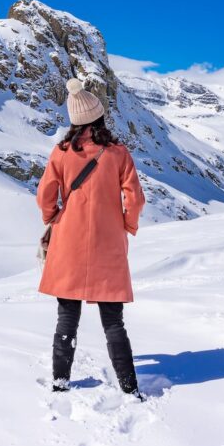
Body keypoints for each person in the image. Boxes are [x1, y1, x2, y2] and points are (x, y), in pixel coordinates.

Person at [36, 78, 147, 399]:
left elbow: (45, 195)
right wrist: (126, 225)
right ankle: (129, 386)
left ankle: (60, 382)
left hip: (67, 240)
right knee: (113, 320)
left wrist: (53, 218)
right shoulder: (118, 153)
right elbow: (135, 198)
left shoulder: (60, 153)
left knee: (67, 317)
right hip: (108, 242)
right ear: (99, 116)